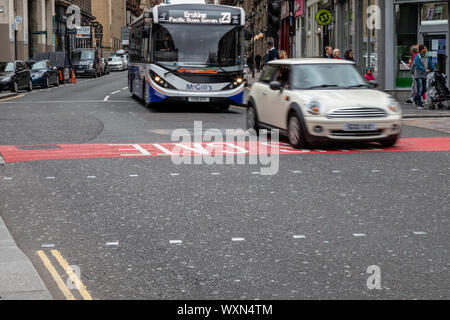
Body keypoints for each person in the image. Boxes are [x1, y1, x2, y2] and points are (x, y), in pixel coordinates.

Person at [413, 44, 435, 109]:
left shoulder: (426, 57)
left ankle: (415, 98)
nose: (426, 49)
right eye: (425, 48)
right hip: (418, 75)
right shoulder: (417, 57)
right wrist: (425, 70)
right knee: (419, 90)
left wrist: (434, 69)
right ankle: (419, 104)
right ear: (422, 50)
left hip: (424, 75)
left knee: (424, 89)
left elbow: (430, 64)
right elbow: (418, 65)